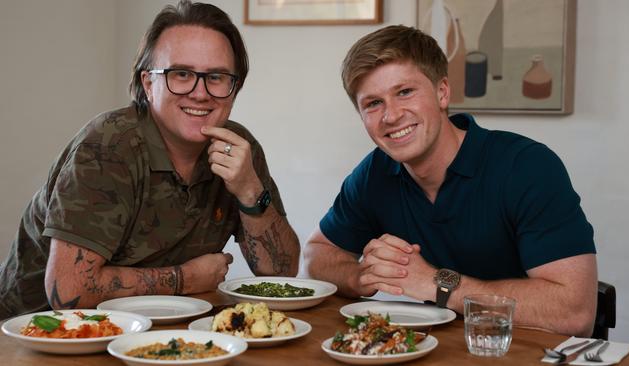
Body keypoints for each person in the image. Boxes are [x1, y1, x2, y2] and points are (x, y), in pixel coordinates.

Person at [0, 0, 300, 320]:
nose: (200, 93)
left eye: (216, 77)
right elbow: (69, 291)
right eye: (181, 74)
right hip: (38, 332)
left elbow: (281, 273)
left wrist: (250, 190)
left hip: (157, 328)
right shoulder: (107, 147)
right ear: (148, 83)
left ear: (234, 87)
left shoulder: (239, 148)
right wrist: (183, 279)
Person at [304, 25, 597, 336]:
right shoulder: (375, 172)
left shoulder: (527, 166)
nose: (390, 115)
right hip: (432, 350)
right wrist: (361, 275)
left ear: (442, 92)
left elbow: (575, 312)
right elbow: (315, 257)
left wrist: (437, 284)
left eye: (404, 92)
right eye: (373, 103)